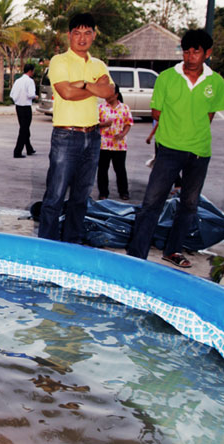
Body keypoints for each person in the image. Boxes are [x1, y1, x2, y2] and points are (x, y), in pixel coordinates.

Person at [127, 29, 224, 268]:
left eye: (196, 52)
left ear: (207, 53)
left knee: (189, 205)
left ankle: (173, 250)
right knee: (152, 202)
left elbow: (210, 114)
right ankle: (136, 254)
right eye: (187, 51)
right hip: (168, 150)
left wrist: (192, 132)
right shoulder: (167, 77)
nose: (190, 56)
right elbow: (156, 112)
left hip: (200, 153)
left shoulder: (216, 82)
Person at [37, 12, 115, 243]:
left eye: (87, 33)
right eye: (77, 33)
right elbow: (66, 93)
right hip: (66, 136)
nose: (82, 38)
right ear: (69, 35)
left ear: (94, 34)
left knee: (81, 198)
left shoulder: (99, 64)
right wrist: (93, 87)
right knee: (55, 195)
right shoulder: (59, 61)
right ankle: (46, 247)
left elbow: (109, 92)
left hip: (92, 136)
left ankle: (72, 244)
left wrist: (82, 83)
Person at [97, 84, 133, 200]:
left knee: (120, 169)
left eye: (110, 94)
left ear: (116, 95)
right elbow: (94, 124)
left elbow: (128, 123)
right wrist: (104, 124)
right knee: (103, 169)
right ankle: (103, 193)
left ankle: (124, 192)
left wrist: (122, 134)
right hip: (103, 144)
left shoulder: (124, 108)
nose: (107, 96)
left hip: (119, 145)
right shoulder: (101, 108)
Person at [10, 63, 38, 158]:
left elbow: (12, 94)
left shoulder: (18, 81)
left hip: (18, 106)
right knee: (24, 129)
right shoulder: (30, 81)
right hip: (26, 106)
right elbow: (31, 94)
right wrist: (35, 96)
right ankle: (17, 151)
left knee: (24, 128)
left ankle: (29, 148)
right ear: (30, 71)